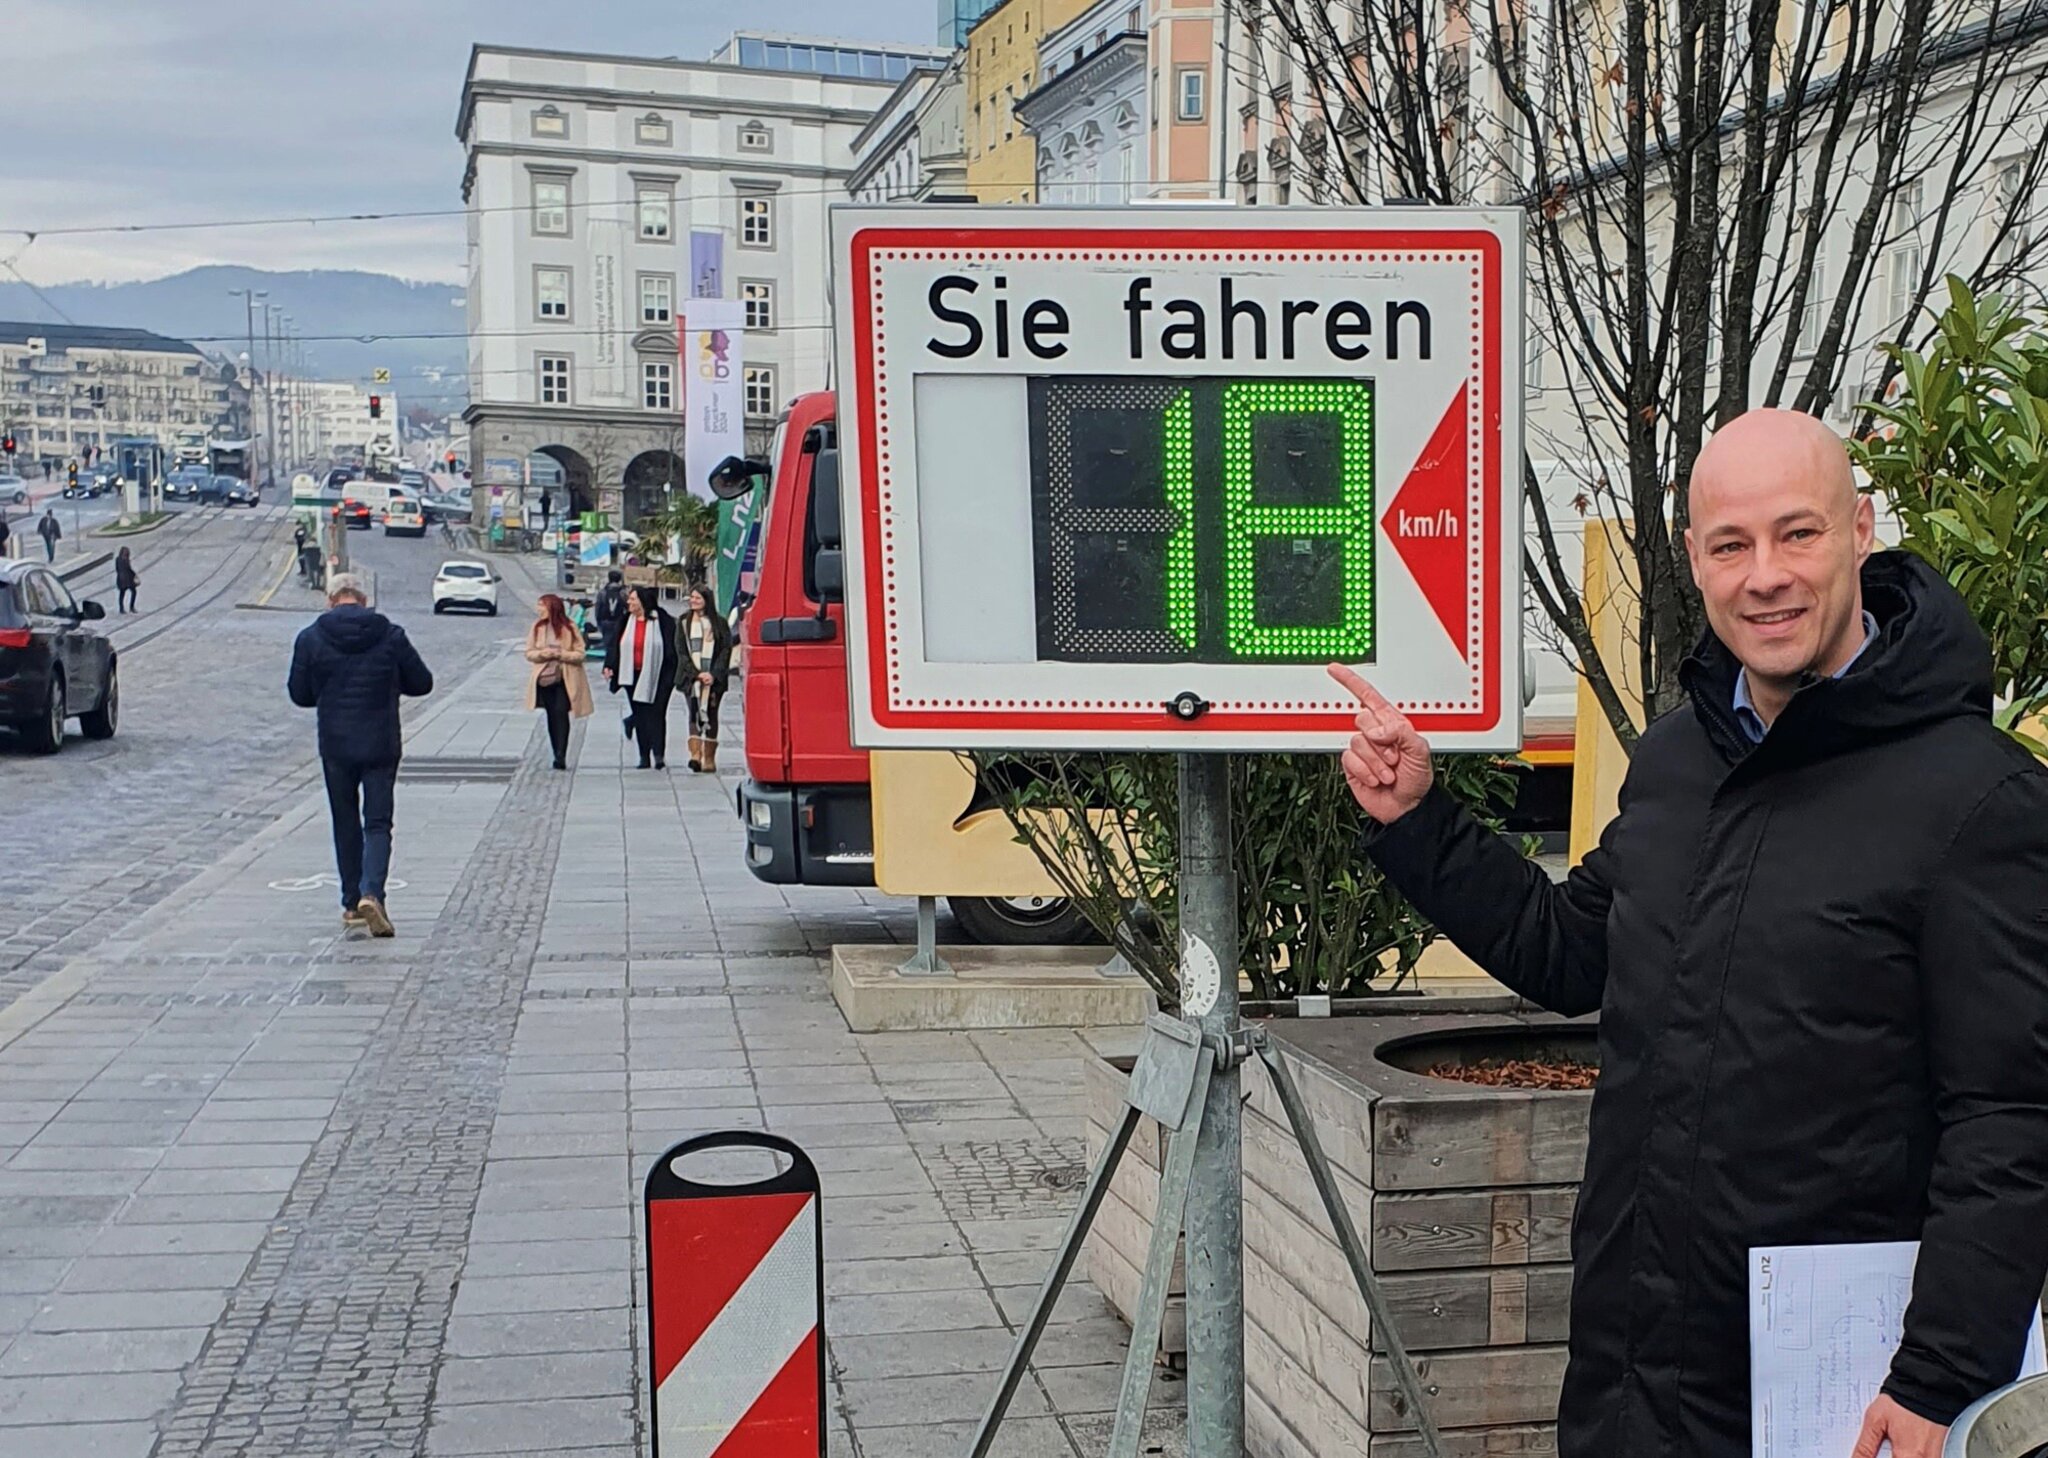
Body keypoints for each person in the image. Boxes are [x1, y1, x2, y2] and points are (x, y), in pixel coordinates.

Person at [1334, 408, 2048, 1458]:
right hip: (1634, 1363)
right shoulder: (1677, 760)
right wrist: (1418, 820)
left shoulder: (1978, 802)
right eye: (1730, 545)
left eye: (1795, 534)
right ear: (1694, 562)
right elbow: (1567, 952)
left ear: (1858, 530)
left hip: (1838, 1392)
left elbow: (2009, 1120)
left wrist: (1940, 1375)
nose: (1764, 575)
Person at [287, 572, 433, 938]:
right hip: (381, 742)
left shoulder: (311, 638)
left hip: (336, 744)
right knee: (378, 823)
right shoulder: (391, 635)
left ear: (331, 599)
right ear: (363, 600)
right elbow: (422, 683)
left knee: (345, 821)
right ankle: (373, 893)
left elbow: (300, 694)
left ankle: (352, 901)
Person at [603, 584, 675, 769]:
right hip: (632, 675)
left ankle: (658, 754)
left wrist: (671, 676)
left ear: (642, 601)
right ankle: (644, 755)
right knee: (641, 715)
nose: (629, 602)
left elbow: (672, 649)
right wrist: (609, 666)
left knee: (657, 714)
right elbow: (614, 645)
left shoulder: (663, 620)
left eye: (632, 599)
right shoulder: (626, 620)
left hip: (658, 675)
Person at [525, 592, 592, 771]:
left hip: (565, 677)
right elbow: (529, 652)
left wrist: (562, 655)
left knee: (561, 712)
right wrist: (542, 654)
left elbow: (580, 653)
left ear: (552, 607)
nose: (539, 609)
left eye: (542, 605)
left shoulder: (569, 627)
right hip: (545, 678)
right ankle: (556, 750)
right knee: (551, 716)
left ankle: (561, 754)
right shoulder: (537, 627)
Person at [677, 584, 732, 774]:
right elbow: (681, 651)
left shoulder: (720, 623)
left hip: (713, 679)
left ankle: (708, 757)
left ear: (706, 600)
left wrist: (713, 674)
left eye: (697, 598)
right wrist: (695, 674)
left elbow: (726, 650)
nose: (693, 601)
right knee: (693, 712)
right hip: (691, 679)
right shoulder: (683, 621)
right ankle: (695, 756)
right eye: (692, 597)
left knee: (712, 713)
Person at [592, 569, 629, 653]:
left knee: (607, 644)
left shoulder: (603, 592)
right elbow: (628, 607)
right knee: (616, 644)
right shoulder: (623, 592)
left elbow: (598, 608)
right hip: (618, 621)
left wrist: (599, 622)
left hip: (605, 621)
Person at [114, 547, 138, 613]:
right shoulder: (119, 559)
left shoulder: (126, 559)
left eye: (127, 552)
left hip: (128, 579)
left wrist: (134, 574)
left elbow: (128, 569)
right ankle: (122, 608)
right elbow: (119, 569)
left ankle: (131, 607)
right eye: (125, 551)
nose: (126, 553)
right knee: (122, 593)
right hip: (123, 579)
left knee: (133, 592)